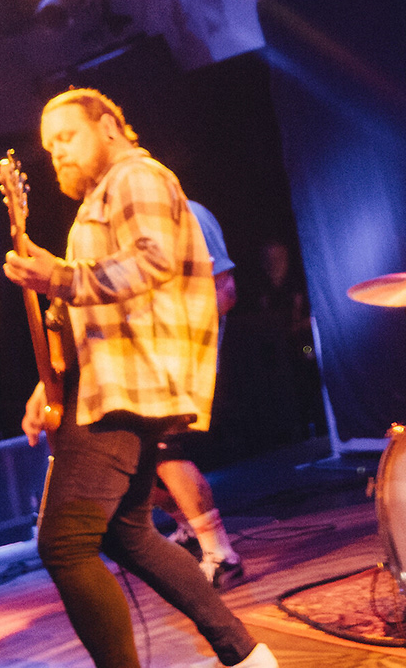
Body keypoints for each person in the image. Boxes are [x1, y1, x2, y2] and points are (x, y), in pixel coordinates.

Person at [4, 89, 275, 668]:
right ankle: (246, 654)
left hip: (126, 391)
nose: (58, 154)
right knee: (128, 534)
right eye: (49, 147)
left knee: (65, 543)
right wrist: (48, 382)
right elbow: (81, 315)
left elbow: (151, 260)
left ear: (107, 126)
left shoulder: (136, 177)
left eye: (67, 137)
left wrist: (61, 277)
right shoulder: (98, 202)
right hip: (111, 385)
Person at [152, 200, 244, 588]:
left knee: (165, 450)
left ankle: (222, 555)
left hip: (184, 360)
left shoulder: (187, 214)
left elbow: (224, 291)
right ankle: (191, 530)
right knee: (132, 460)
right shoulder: (126, 221)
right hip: (147, 362)